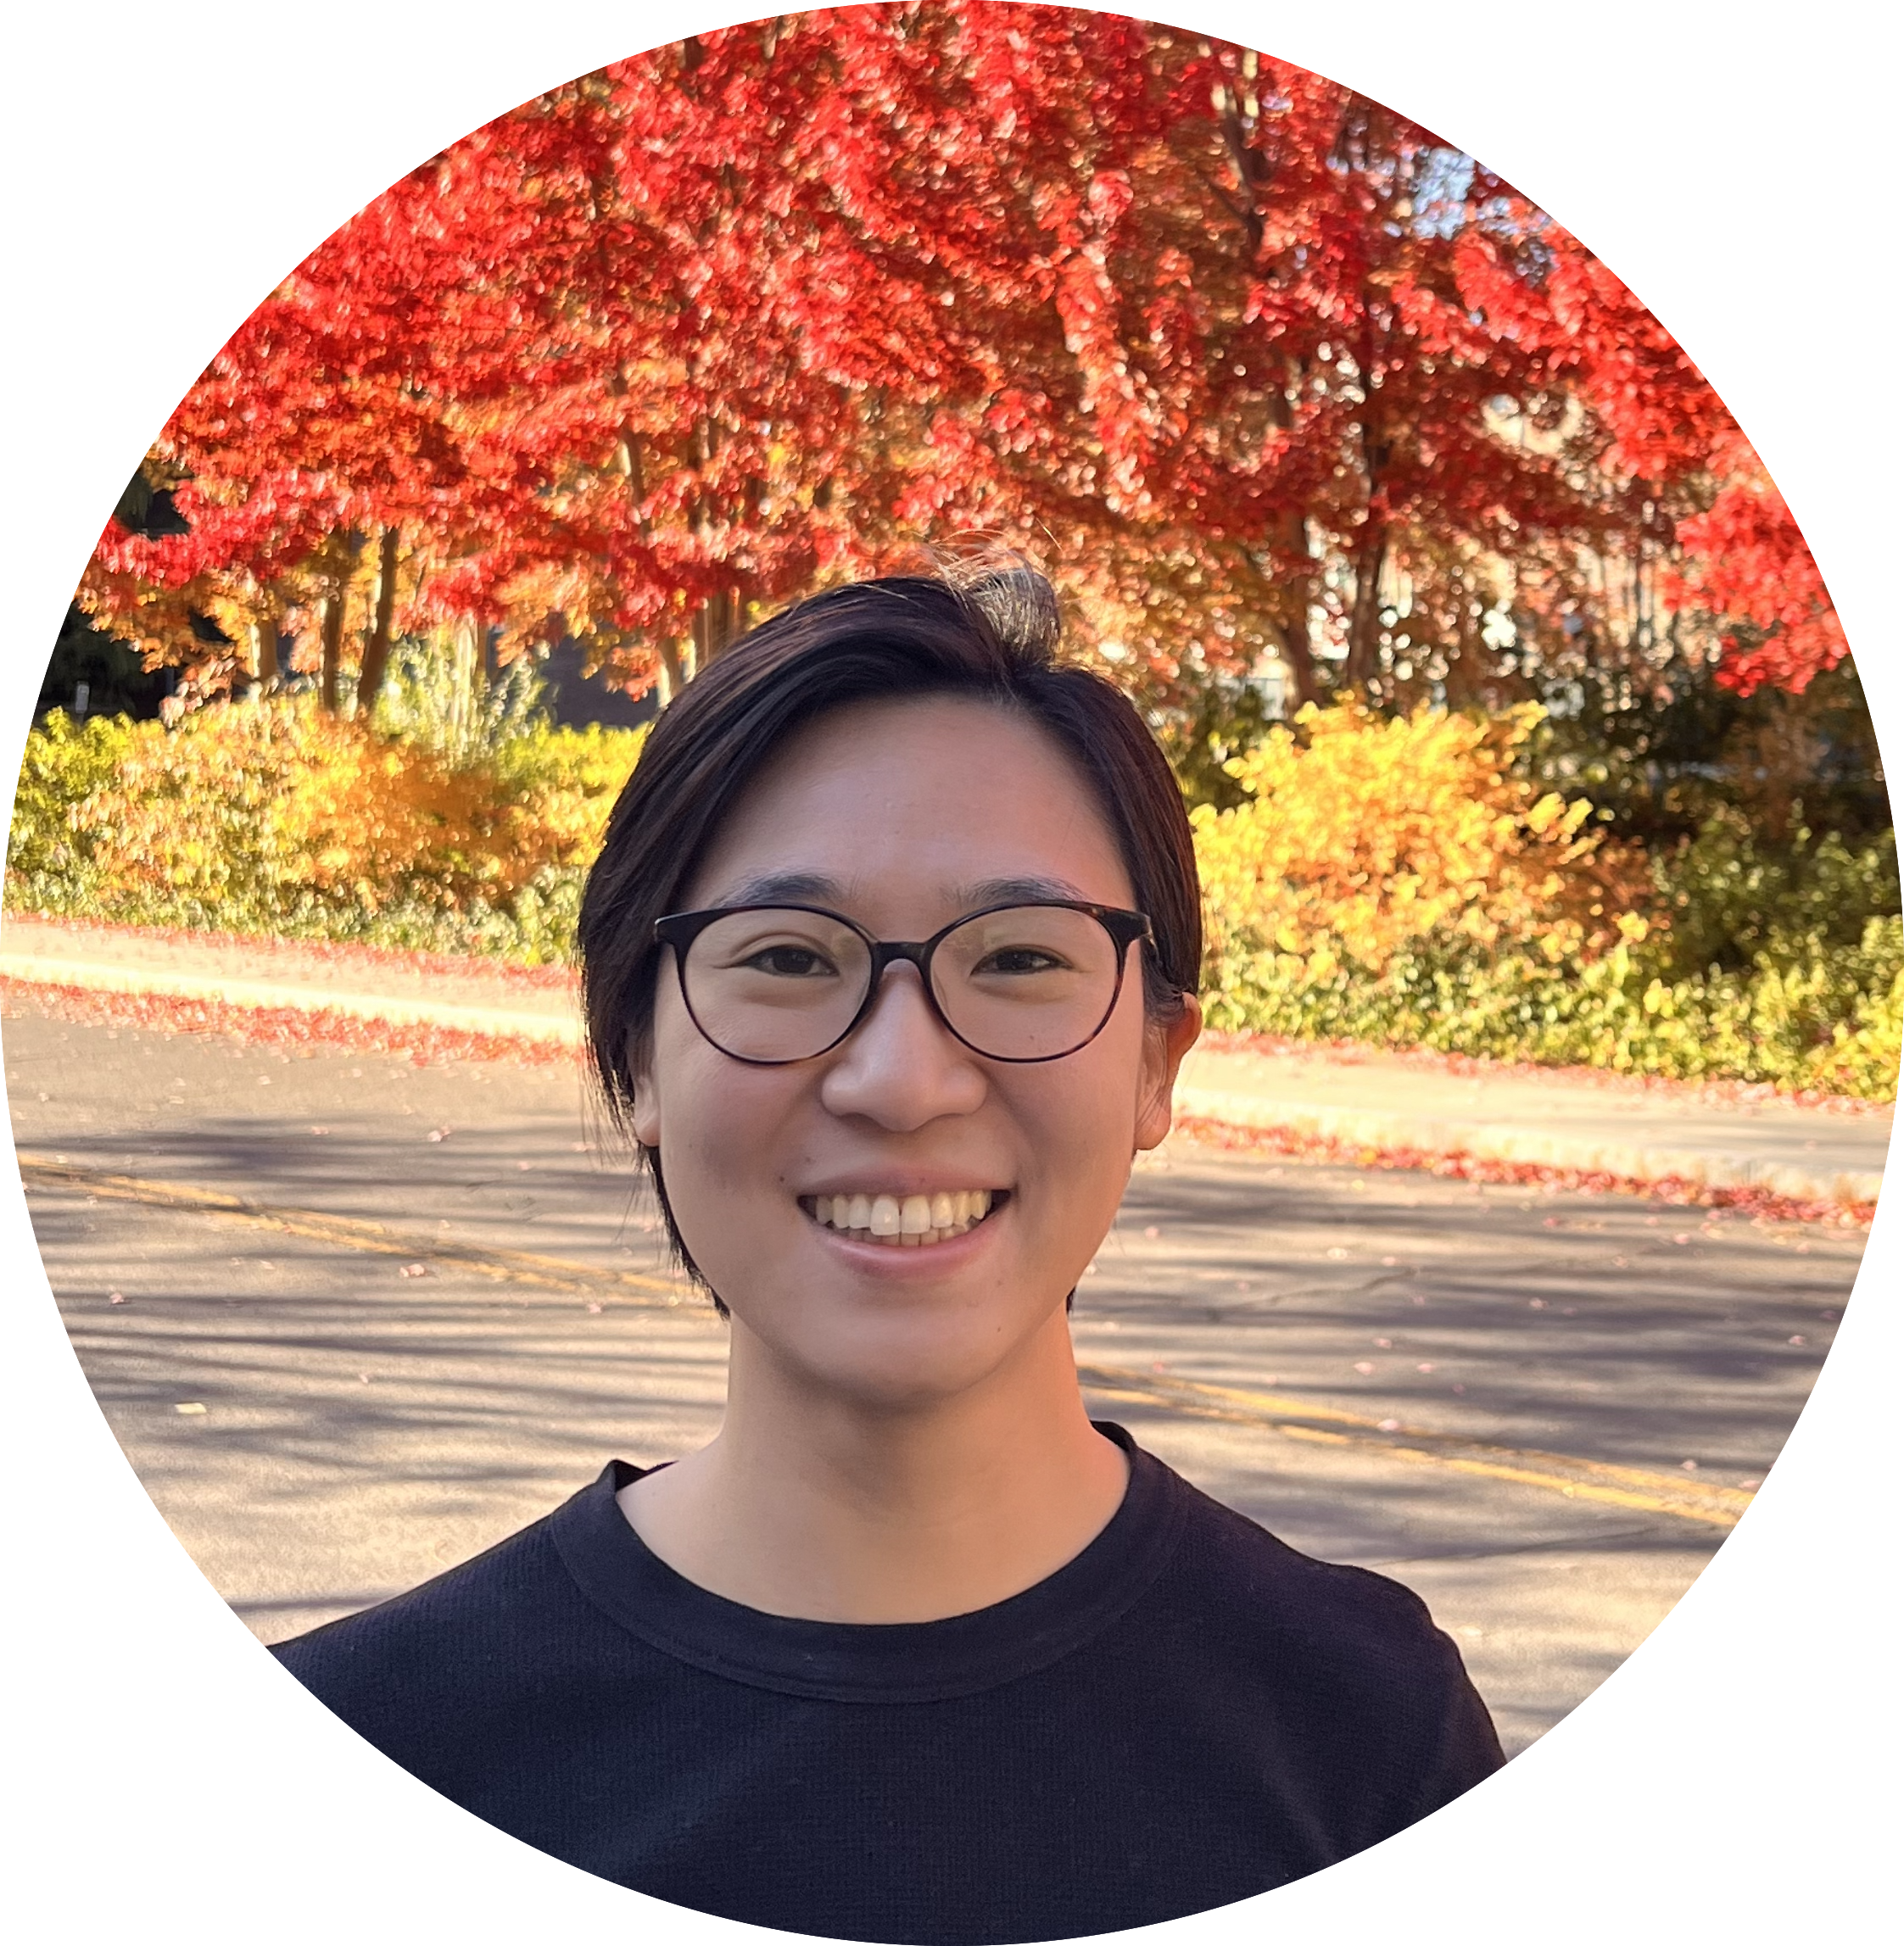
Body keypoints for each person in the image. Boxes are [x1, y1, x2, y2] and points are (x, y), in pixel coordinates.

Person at [272, 563, 1505, 1940]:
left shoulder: (1363, 1729)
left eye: (1022, 960)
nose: (904, 1080)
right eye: (789, 958)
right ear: (634, 1066)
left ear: (1159, 1058)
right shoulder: (392, 1723)